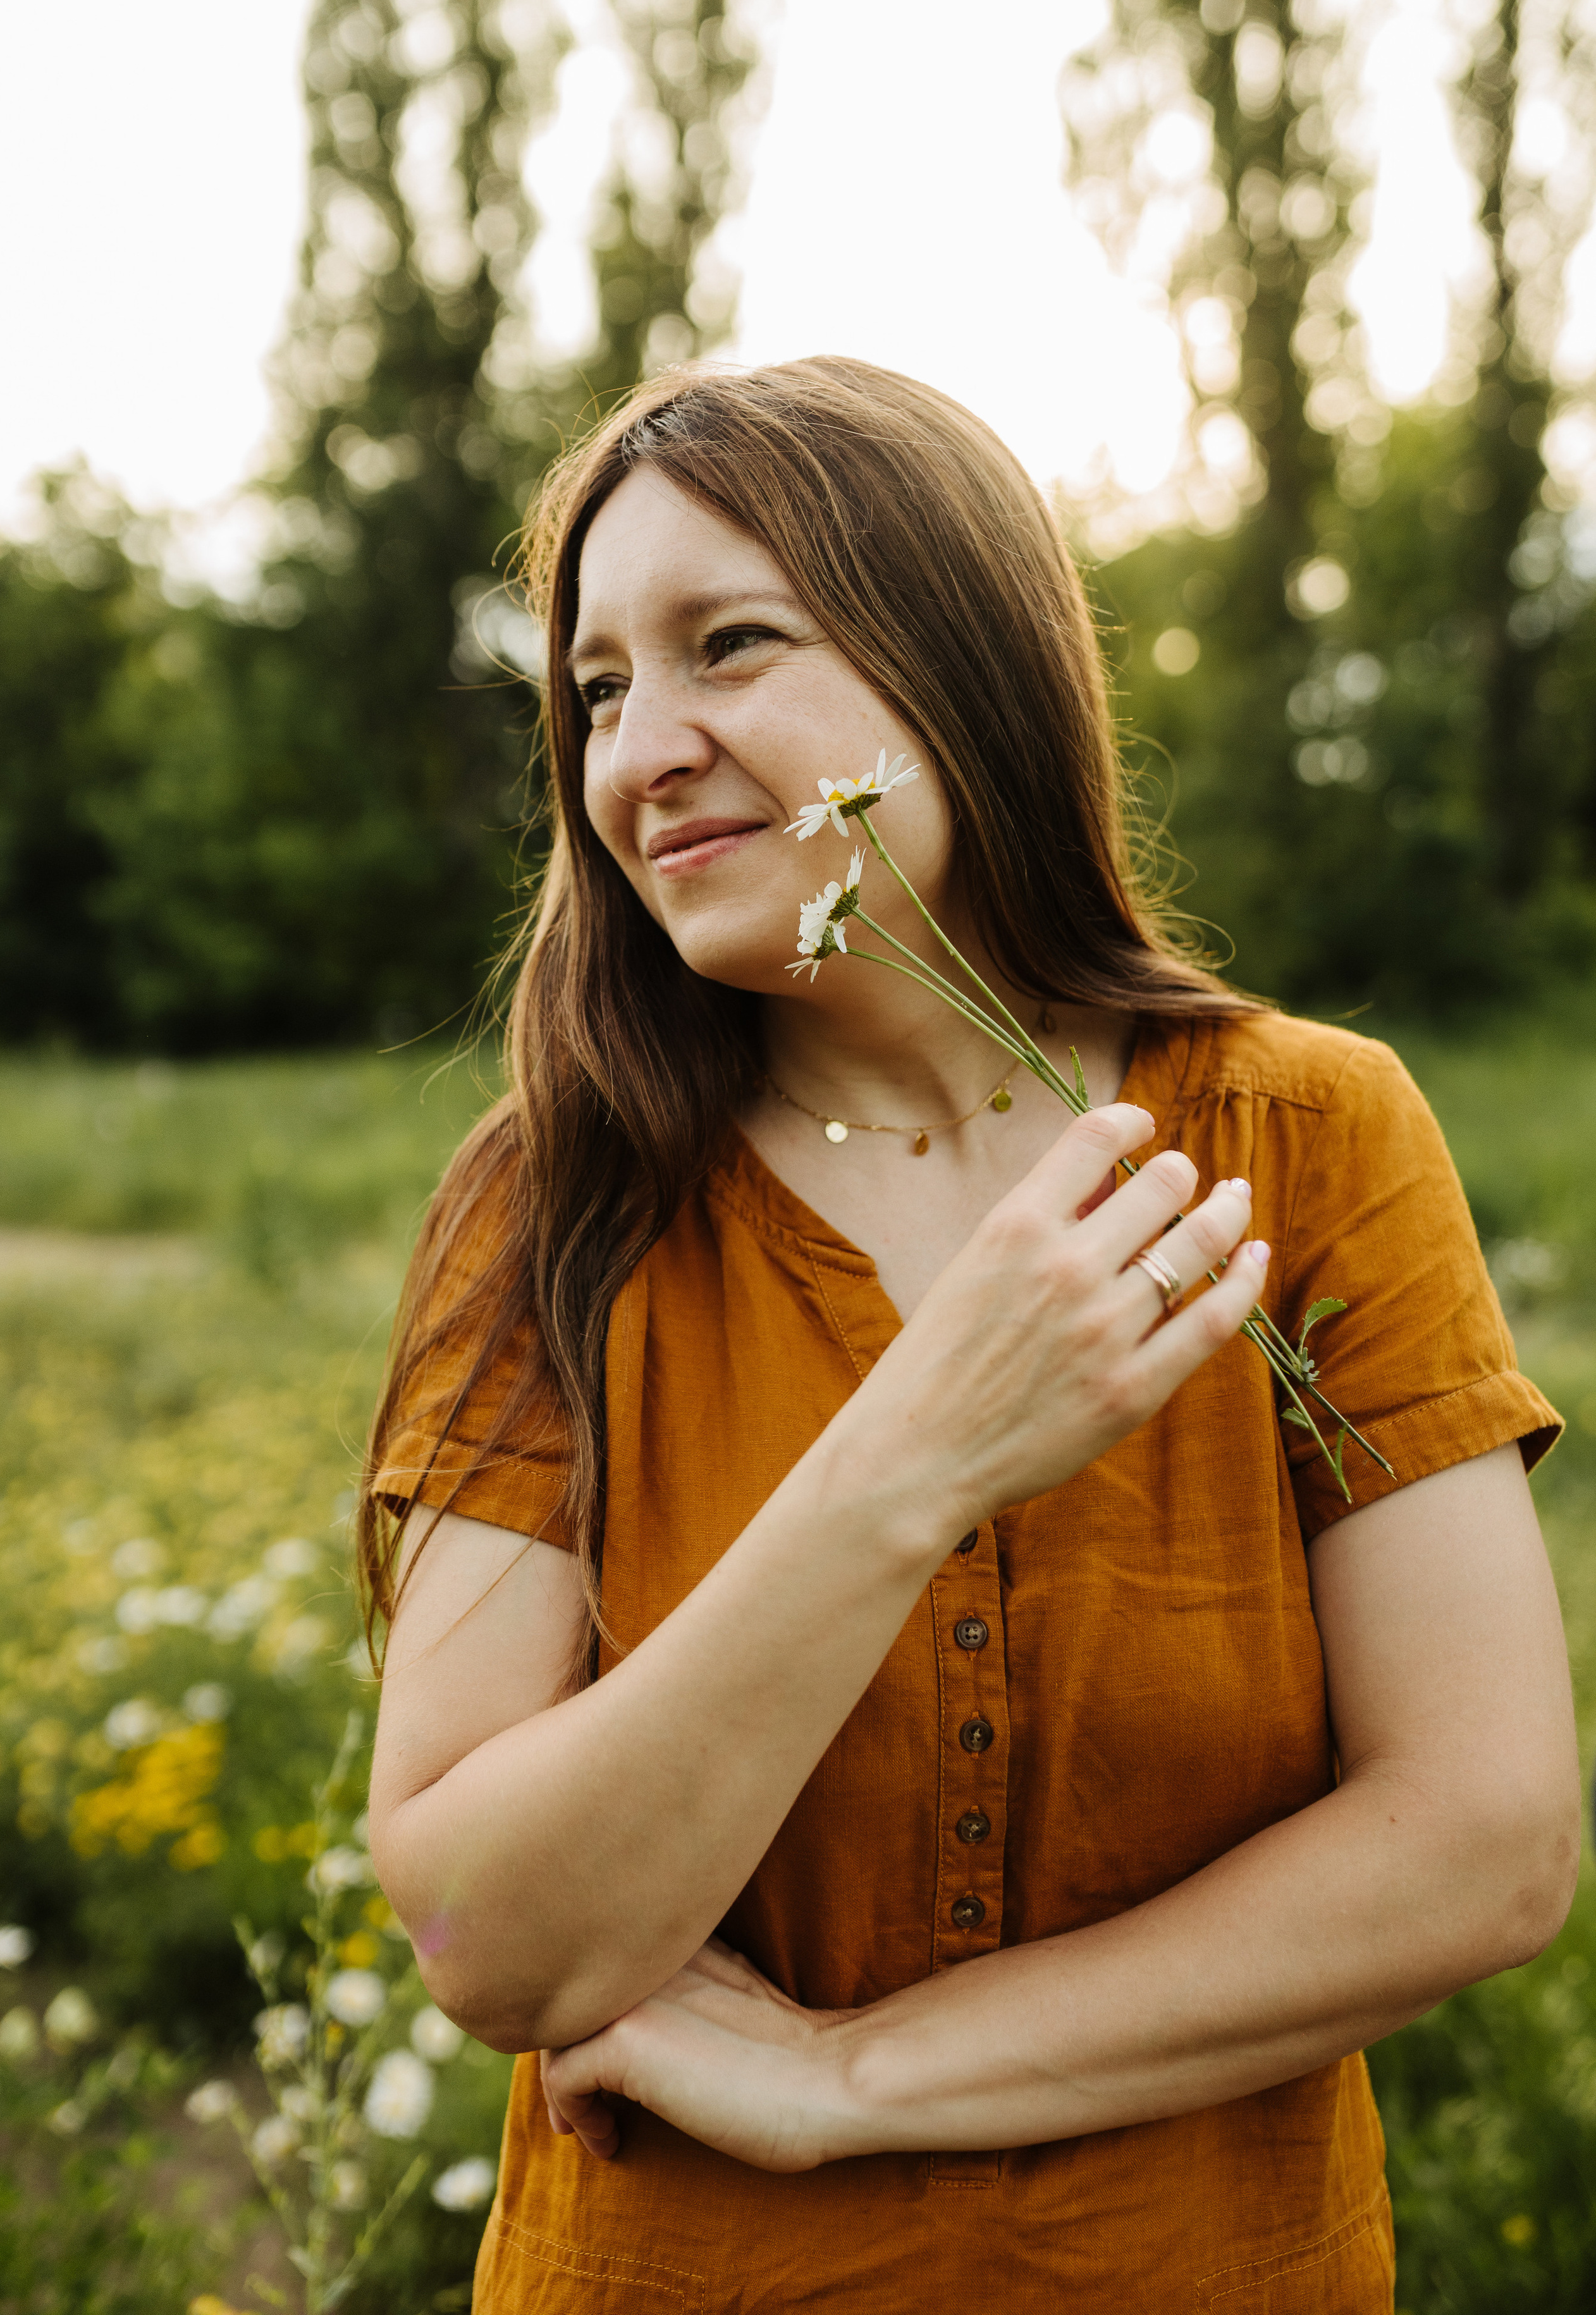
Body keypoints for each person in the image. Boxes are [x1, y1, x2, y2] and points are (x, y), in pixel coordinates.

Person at [362, 357, 1577, 2313]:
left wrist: (852, 2077)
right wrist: (915, 1453)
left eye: (726, 646)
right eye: (595, 689)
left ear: (965, 664)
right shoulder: (556, 1203)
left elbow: (1483, 1845)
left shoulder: (1307, 1140)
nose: (636, 752)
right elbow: (497, 1939)